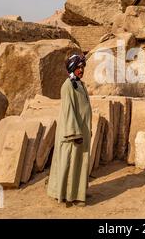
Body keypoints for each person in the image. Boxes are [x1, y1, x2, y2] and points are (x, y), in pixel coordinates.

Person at [47, 53, 92, 207]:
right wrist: (75, 133)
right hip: (72, 133)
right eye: (79, 67)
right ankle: (68, 195)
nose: (82, 70)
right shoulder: (67, 86)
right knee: (70, 163)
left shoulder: (79, 84)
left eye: (83, 67)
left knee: (79, 163)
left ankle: (78, 193)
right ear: (72, 68)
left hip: (82, 132)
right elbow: (68, 111)